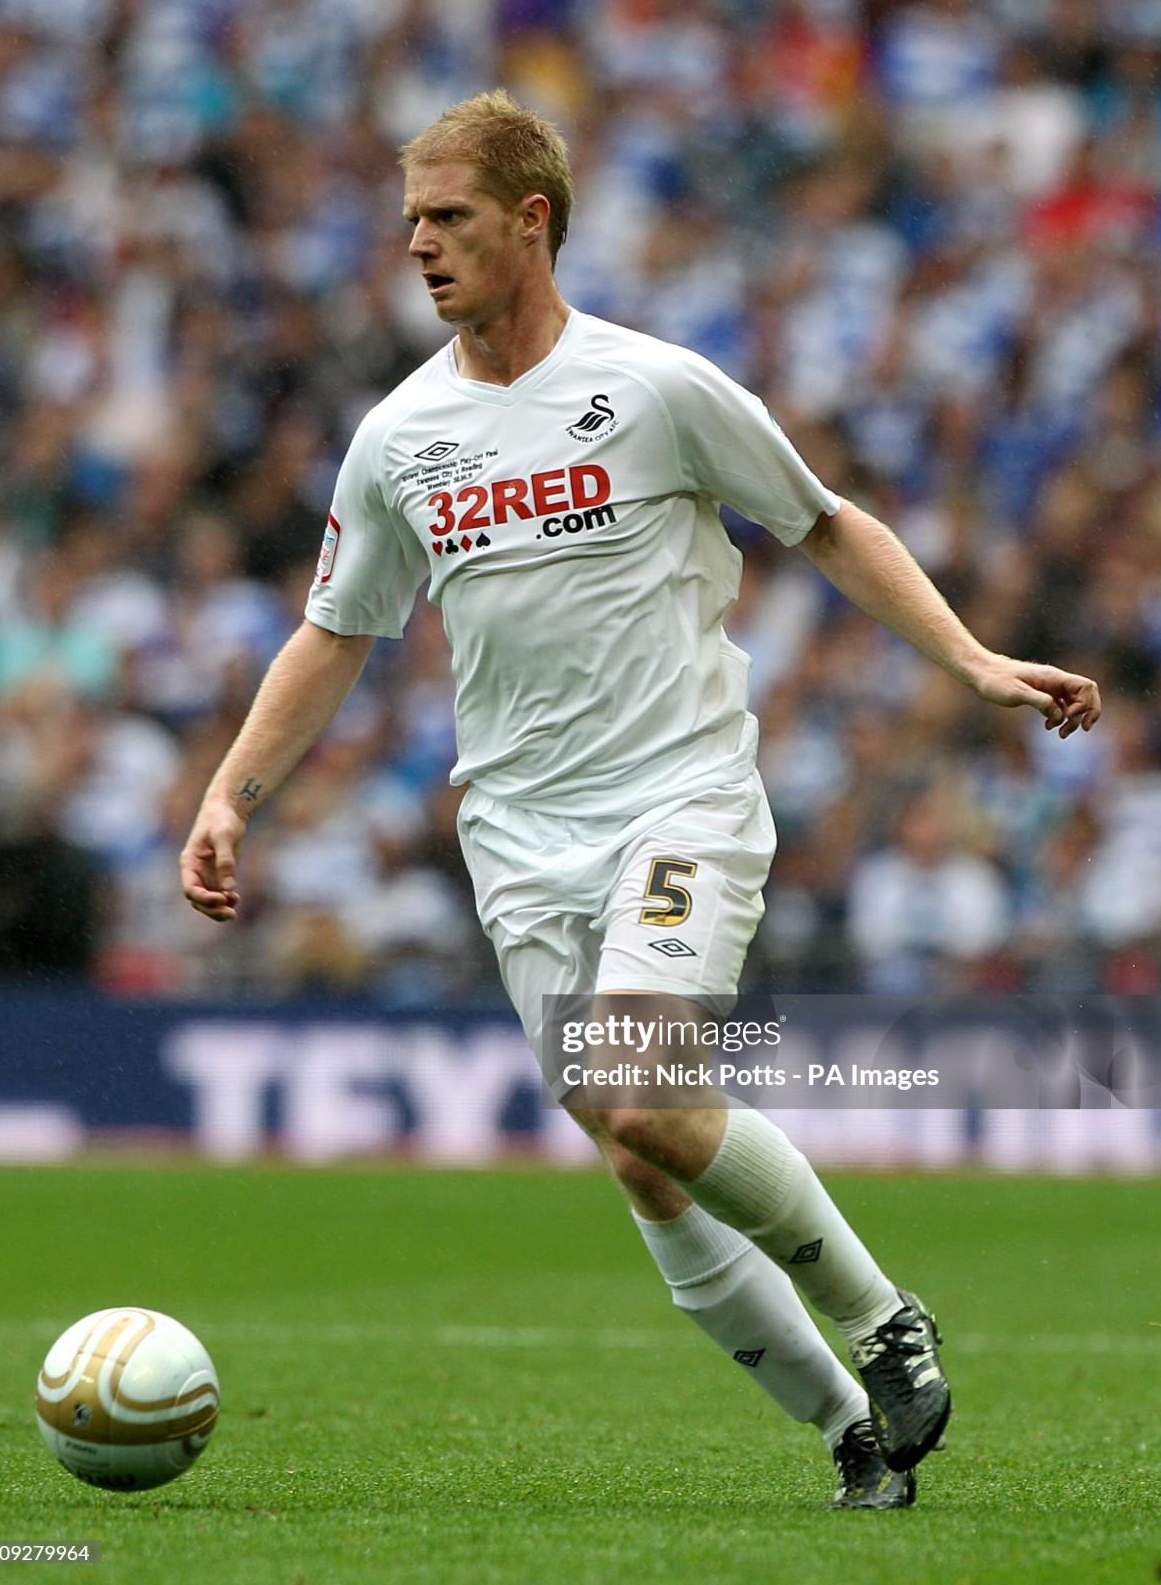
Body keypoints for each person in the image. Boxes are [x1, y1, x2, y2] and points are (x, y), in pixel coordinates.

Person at [179, 91, 1101, 1509]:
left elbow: (825, 522)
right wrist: (232, 795)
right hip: (515, 836)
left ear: (531, 221)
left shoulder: (657, 388)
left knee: (643, 1092)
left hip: (679, 798)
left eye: (449, 218)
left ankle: (883, 1318)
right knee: (642, 1157)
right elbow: (335, 631)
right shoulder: (401, 436)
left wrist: (970, 659)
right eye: (411, 219)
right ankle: (850, 1433)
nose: (418, 244)